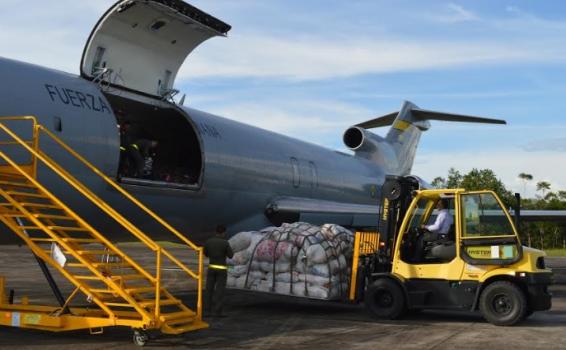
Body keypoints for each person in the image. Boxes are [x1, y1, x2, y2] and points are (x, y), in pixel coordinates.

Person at [204, 225, 234, 317]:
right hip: (221, 269)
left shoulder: (209, 241)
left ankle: (207, 311)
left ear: (215, 232)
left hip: (211, 268)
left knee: (209, 290)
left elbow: (205, 253)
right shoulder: (225, 243)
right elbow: (231, 255)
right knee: (219, 291)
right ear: (224, 233)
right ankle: (218, 311)